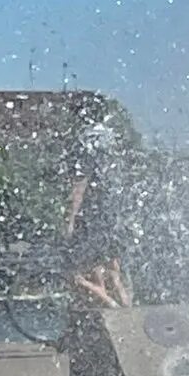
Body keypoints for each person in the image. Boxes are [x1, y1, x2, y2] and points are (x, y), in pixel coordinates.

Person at [63, 118, 135, 313]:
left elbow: (78, 192)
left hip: (92, 222)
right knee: (112, 272)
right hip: (113, 221)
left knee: (74, 275)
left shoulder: (84, 159)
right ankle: (128, 312)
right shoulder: (112, 163)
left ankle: (110, 304)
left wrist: (70, 222)